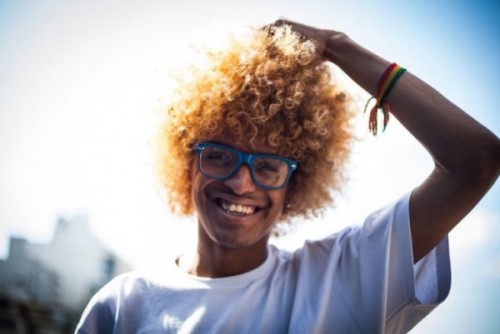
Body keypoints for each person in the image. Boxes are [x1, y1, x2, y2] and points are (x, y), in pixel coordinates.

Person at [75, 19, 500, 333]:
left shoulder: (341, 280)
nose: (242, 183)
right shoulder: (122, 306)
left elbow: (476, 160)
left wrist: (337, 46)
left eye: (268, 166)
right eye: (221, 156)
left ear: (295, 184)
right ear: (188, 162)